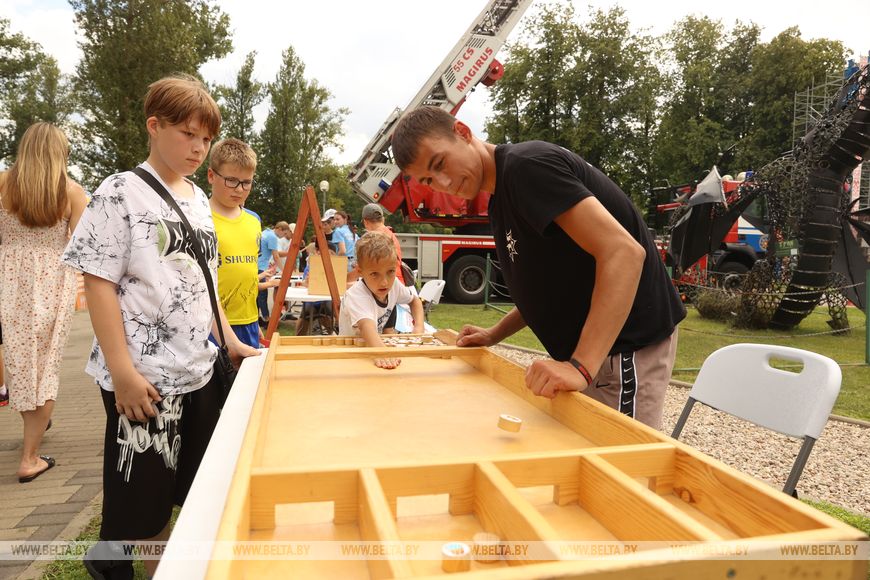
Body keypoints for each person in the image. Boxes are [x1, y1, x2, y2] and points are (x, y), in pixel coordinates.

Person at [61, 75, 259, 578]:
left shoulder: (197, 198)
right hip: (145, 379)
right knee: (143, 506)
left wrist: (230, 341)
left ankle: (126, 556)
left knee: (193, 492)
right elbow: (98, 281)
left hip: (199, 370)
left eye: (206, 138)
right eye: (187, 134)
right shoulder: (118, 192)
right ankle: (124, 562)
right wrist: (124, 372)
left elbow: (203, 279)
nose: (198, 147)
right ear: (154, 126)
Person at [392, 106, 685, 429]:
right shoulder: (501, 196)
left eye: (440, 163)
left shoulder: (527, 169)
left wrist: (581, 366)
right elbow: (545, 289)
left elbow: (624, 252)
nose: (444, 183)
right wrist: (494, 334)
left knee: (626, 468)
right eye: (429, 180)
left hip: (626, 345)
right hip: (595, 354)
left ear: (462, 132)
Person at [0, 122, 87, 481]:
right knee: (46, 366)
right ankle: (29, 457)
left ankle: (32, 431)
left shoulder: (3, 184)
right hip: (53, 280)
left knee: (21, 363)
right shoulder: (72, 192)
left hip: (8, 278)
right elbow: (82, 249)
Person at [207, 137, 279, 348]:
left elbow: (247, 274)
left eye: (246, 182)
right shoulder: (199, 218)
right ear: (211, 175)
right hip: (211, 326)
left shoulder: (253, 220)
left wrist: (254, 319)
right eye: (231, 180)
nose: (239, 189)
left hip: (248, 322)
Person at [339, 232, 424, 369]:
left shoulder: (394, 284)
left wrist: (419, 327)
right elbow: (366, 326)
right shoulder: (356, 295)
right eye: (374, 274)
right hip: (350, 354)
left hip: (372, 347)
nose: (384, 282)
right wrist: (381, 352)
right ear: (360, 271)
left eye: (390, 272)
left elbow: (415, 301)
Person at [361, 203, 404, 284]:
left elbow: (364, 267)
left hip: (386, 284)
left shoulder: (372, 238)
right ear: (383, 219)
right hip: (397, 282)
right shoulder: (390, 234)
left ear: (365, 222)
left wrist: (346, 278)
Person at [257, 223, 280, 324]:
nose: (282, 236)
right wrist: (283, 270)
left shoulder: (265, 233)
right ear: (279, 229)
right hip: (261, 267)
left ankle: (257, 318)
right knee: (263, 294)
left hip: (256, 265)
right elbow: (276, 255)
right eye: (284, 233)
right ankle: (266, 319)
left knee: (256, 295)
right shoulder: (273, 237)